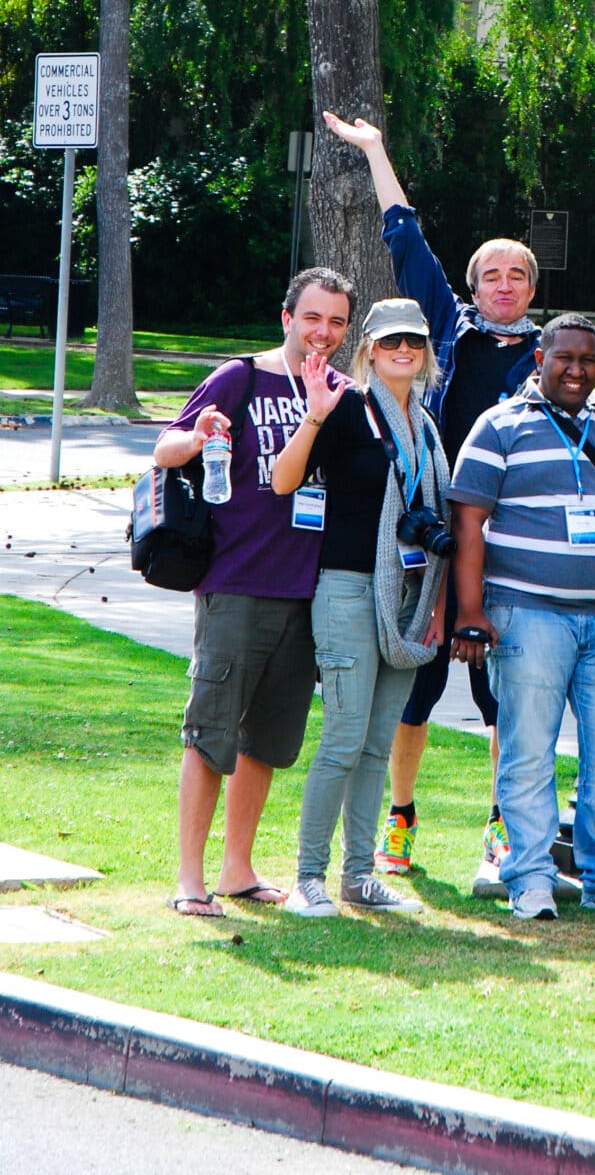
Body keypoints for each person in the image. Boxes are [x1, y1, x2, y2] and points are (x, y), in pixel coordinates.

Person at [322, 110, 539, 882]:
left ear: (532, 288)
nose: (503, 285)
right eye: (491, 274)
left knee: (502, 697)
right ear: (474, 286)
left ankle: (502, 827)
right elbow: (404, 238)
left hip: (508, 547)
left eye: (516, 275)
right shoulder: (447, 329)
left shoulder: (556, 356)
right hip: (430, 538)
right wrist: (377, 149)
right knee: (416, 686)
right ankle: (401, 818)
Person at [449, 314, 595, 921]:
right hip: (526, 614)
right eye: (564, 357)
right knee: (528, 751)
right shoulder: (499, 425)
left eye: (589, 360)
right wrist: (469, 612)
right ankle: (529, 878)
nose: (576, 369)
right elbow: (467, 521)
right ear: (539, 357)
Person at [153, 268, 355, 918]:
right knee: (210, 732)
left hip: (306, 591)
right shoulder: (240, 377)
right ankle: (190, 878)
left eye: (336, 322)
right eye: (313, 318)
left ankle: (237, 869)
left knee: (265, 741)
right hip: (236, 582)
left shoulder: (340, 394)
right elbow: (166, 447)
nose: (323, 333)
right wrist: (197, 436)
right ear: (287, 317)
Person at [273, 297, 451, 916]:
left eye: (415, 342)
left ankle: (359, 876)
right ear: (370, 348)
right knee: (344, 739)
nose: (404, 351)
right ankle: (308, 878)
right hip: (348, 588)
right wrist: (314, 419)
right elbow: (282, 481)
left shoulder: (427, 427)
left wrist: (437, 607)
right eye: (391, 341)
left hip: (409, 597)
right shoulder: (347, 408)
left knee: (377, 745)